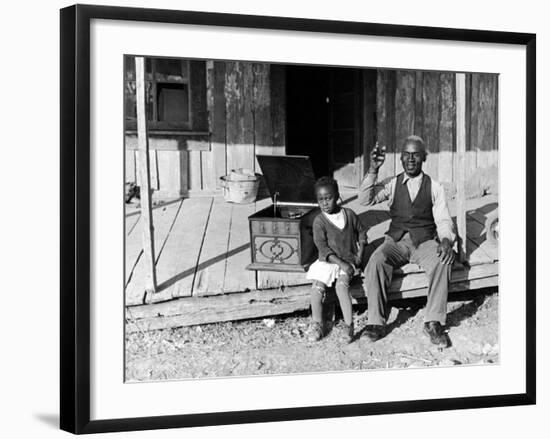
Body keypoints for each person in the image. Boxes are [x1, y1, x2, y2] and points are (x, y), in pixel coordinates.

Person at [359, 135, 455, 347]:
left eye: (416, 155)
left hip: (424, 242)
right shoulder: (392, 184)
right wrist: (373, 169)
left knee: (443, 261)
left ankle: (433, 321)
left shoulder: (435, 187)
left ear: (424, 158)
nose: (411, 159)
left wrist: (447, 240)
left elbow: (443, 219)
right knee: (375, 261)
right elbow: (364, 199)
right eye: (406, 155)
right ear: (401, 158)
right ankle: (376, 322)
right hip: (396, 242)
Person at [306, 177, 368, 343]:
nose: (325, 203)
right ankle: (317, 323)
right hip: (329, 260)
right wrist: (341, 263)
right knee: (317, 288)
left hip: (348, 260)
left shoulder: (349, 214)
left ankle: (349, 325)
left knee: (342, 287)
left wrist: (360, 255)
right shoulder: (319, 221)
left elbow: (362, 233)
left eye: (328, 198)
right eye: (321, 200)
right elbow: (322, 247)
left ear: (338, 196)